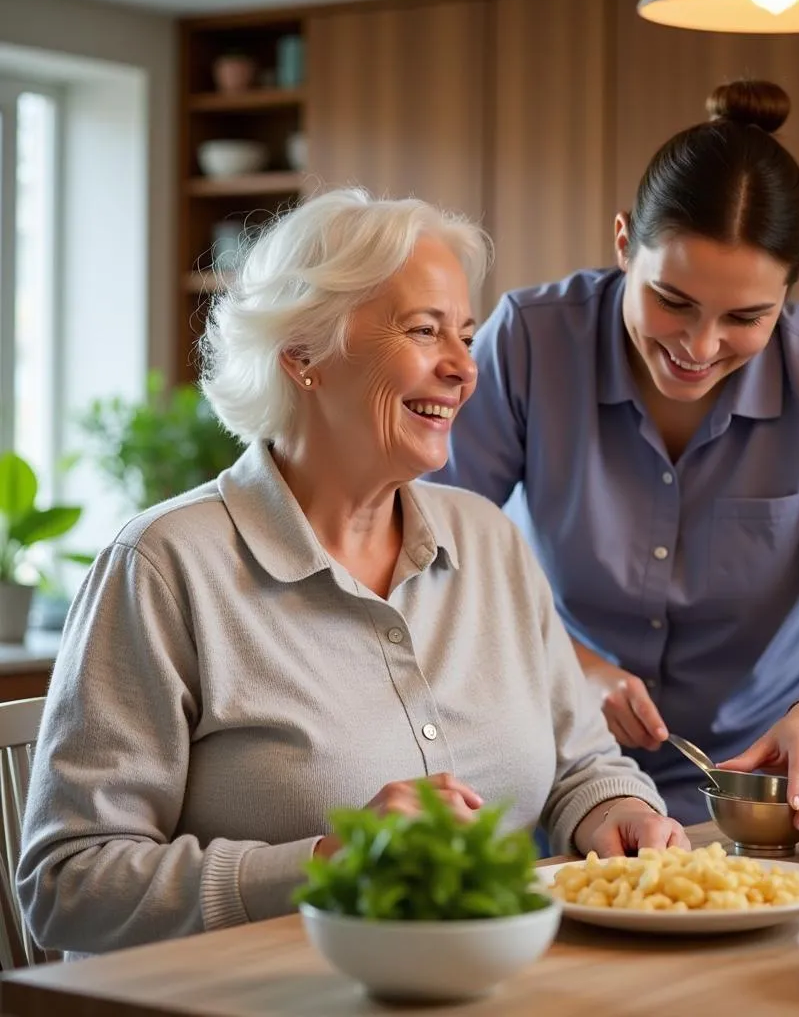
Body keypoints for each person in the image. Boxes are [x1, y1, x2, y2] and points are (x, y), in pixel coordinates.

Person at [17, 188, 685, 958]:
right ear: (303, 356)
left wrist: (619, 809)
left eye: (465, 336)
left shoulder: (490, 541)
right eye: (424, 331)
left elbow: (582, 765)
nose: (464, 369)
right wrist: (330, 862)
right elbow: (67, 887)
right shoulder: (165, 566)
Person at [426, 79, 799, 829]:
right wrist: (574, 670)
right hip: (564, 762)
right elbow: (433, 553)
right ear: (625, 241)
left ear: (795, 279)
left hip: (763, 785)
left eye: (747, 317)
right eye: (674, 301)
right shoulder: (530, 341)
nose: (699, 346)